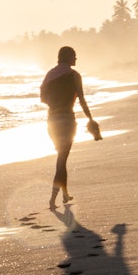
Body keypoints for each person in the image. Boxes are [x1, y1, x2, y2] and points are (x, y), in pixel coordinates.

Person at [40, 45, 94, 208]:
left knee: (62, 157)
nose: (76, 59)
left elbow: (43, 98)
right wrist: (91, 119)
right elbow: (82, 101)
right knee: (61, 160)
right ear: (68, 57)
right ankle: (52, 199)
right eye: (74, 56)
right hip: (67, 121)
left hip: (52, 121)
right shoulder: (74, 75)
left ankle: (64, 194)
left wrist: (56, 102)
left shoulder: (50, 74)